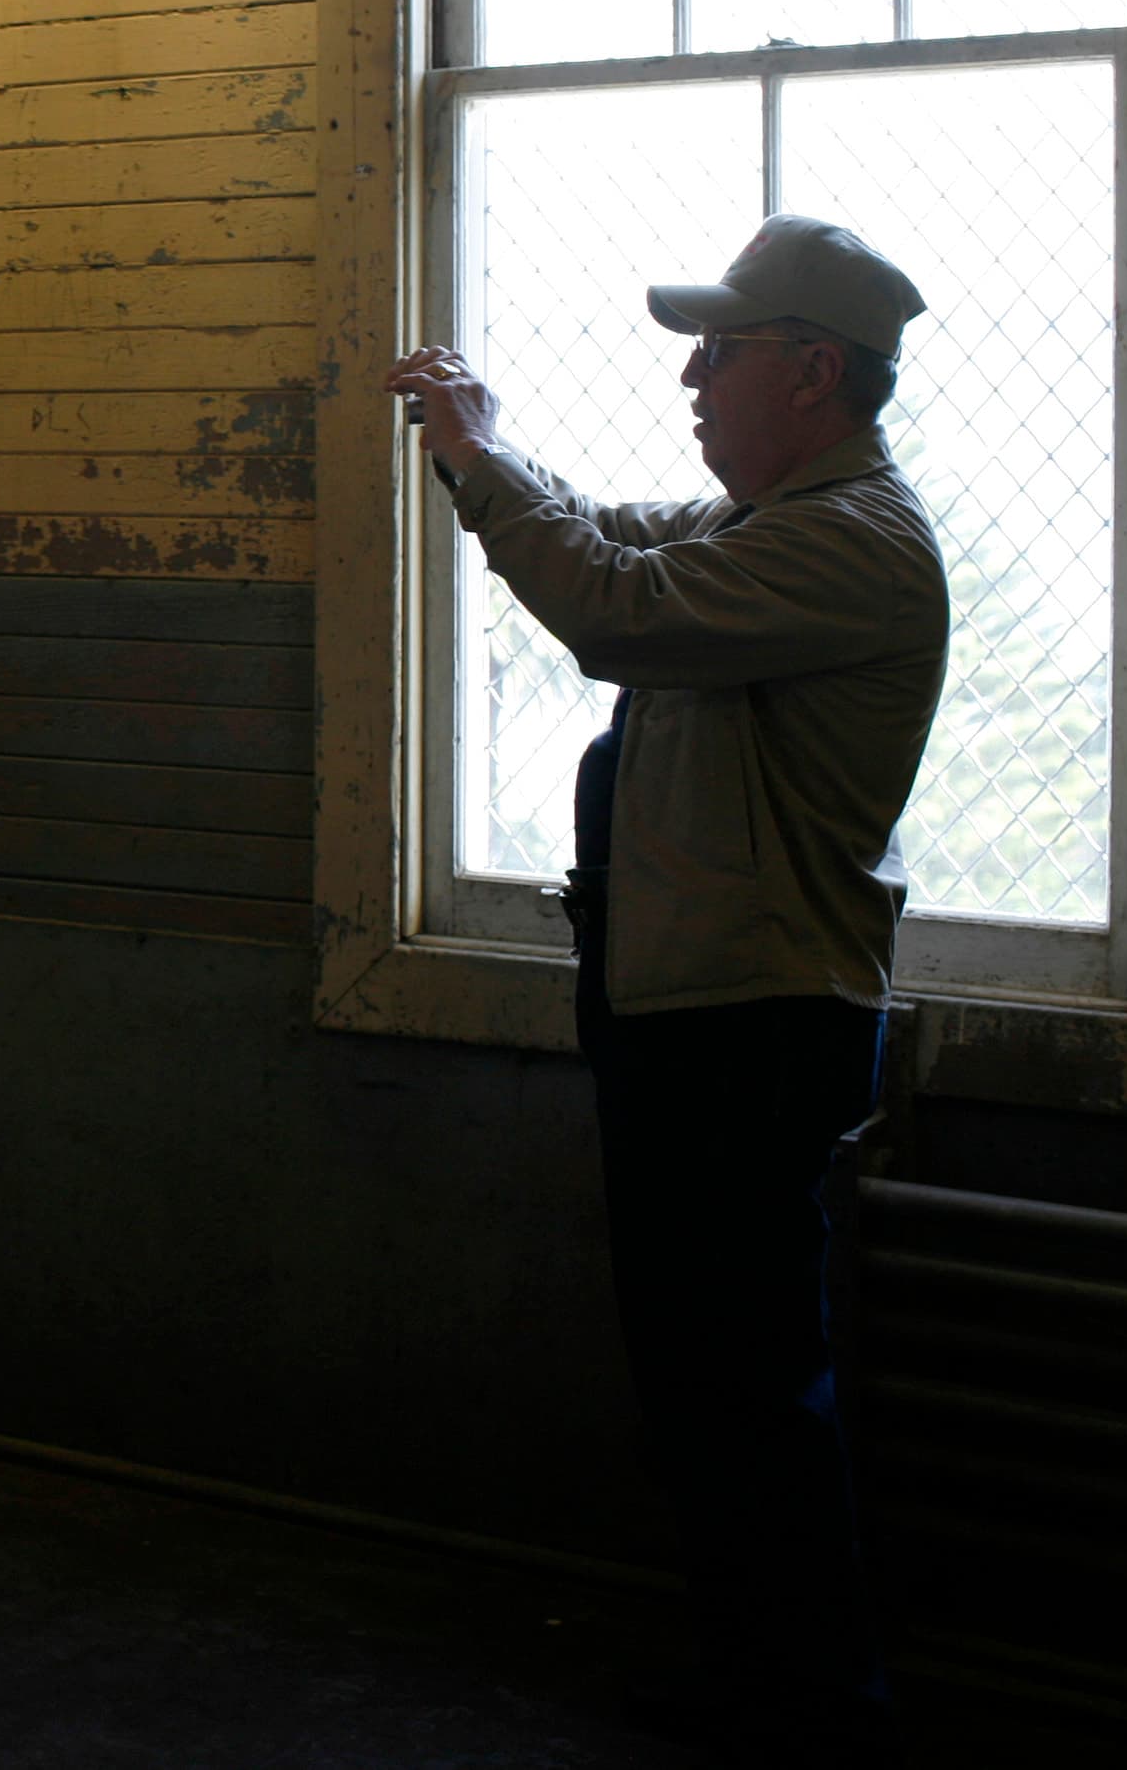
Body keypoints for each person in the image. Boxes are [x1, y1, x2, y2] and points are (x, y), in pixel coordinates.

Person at [383, 215, 947, 1769]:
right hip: (695, 1014)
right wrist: (475, 451)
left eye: (724, 349)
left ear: (815, 373)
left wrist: (485, 459)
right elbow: (604, 541)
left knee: (750, 1380)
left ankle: (818, 1705)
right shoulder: (759, 524)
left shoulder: (855, 545)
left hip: (753, 1028)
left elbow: (611, 607)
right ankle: (764, 1675)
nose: (693, 377)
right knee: (709, 1376)